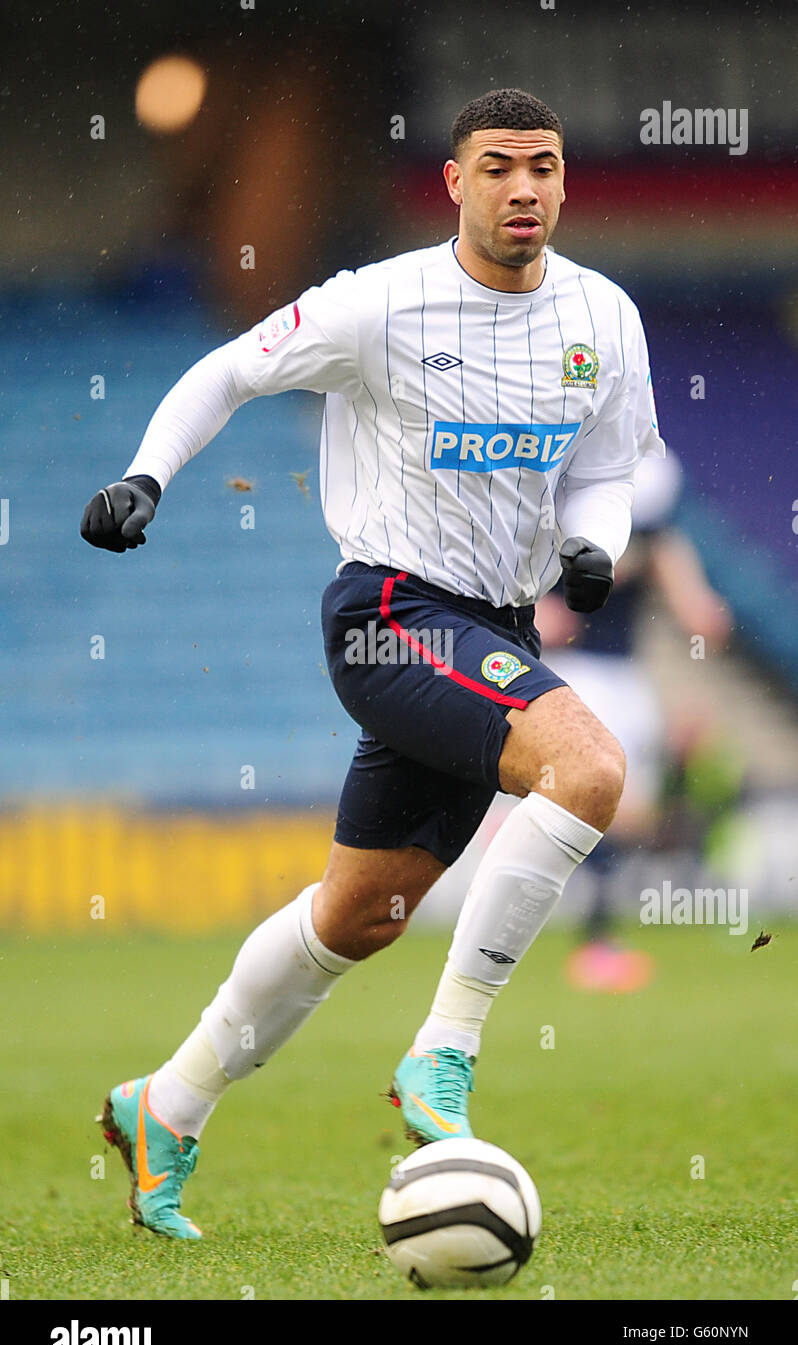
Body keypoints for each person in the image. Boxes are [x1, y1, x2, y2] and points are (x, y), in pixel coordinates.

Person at [81, 87, 664, 1240]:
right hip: (388, 613)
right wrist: (148, 474)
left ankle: (165, 1104)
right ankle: (442, 1053)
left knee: (361, 914)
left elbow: (608, 463)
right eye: (497, 166)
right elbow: (230, 370)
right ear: (456, 183)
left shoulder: (603, 315)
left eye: (543, 165)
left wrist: (597, 545)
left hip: (492, 629)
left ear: (563, 180)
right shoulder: (381, 303)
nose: (524, 188)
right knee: (588, 769)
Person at [529, 449, 733, 991]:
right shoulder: (561, 532)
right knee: (603, 809)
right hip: (575, 676)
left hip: (619, 679)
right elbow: (547, 618)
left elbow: (701, 616)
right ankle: (595, 941)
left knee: (621, 814)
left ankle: (596, 937)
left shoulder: (656, 540)